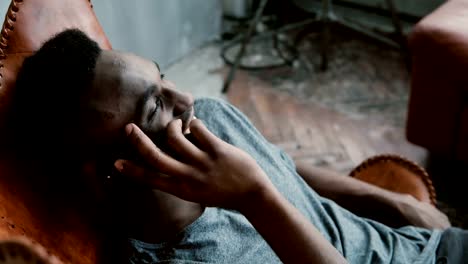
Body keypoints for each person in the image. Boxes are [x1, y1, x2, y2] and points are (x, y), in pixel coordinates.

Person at [6, 29, 466, 264]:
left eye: (162, 79)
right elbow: (262, 184)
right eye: (153, 110)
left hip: (430, 248)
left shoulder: (205, 119)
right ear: (110, 172)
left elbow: (280, 165)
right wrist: (254, 198)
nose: (185, 101)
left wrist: (391, 203)